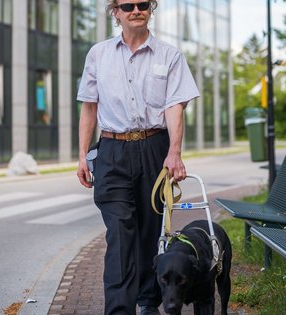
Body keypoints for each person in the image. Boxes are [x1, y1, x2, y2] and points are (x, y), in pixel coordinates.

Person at [76, 1, 199, 314]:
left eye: (142, 4)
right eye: (127, 5)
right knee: (120, 233)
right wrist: (81, 156)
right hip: (112, 151)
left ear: (150, 9)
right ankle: (120, 310)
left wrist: (174, 153)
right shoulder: (98, 54)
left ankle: (147, 302)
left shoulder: (170, 55)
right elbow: (89, 107)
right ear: (115, 12)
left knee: (148, 234)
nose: (135, 9)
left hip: (153, 148)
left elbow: (175, 106)